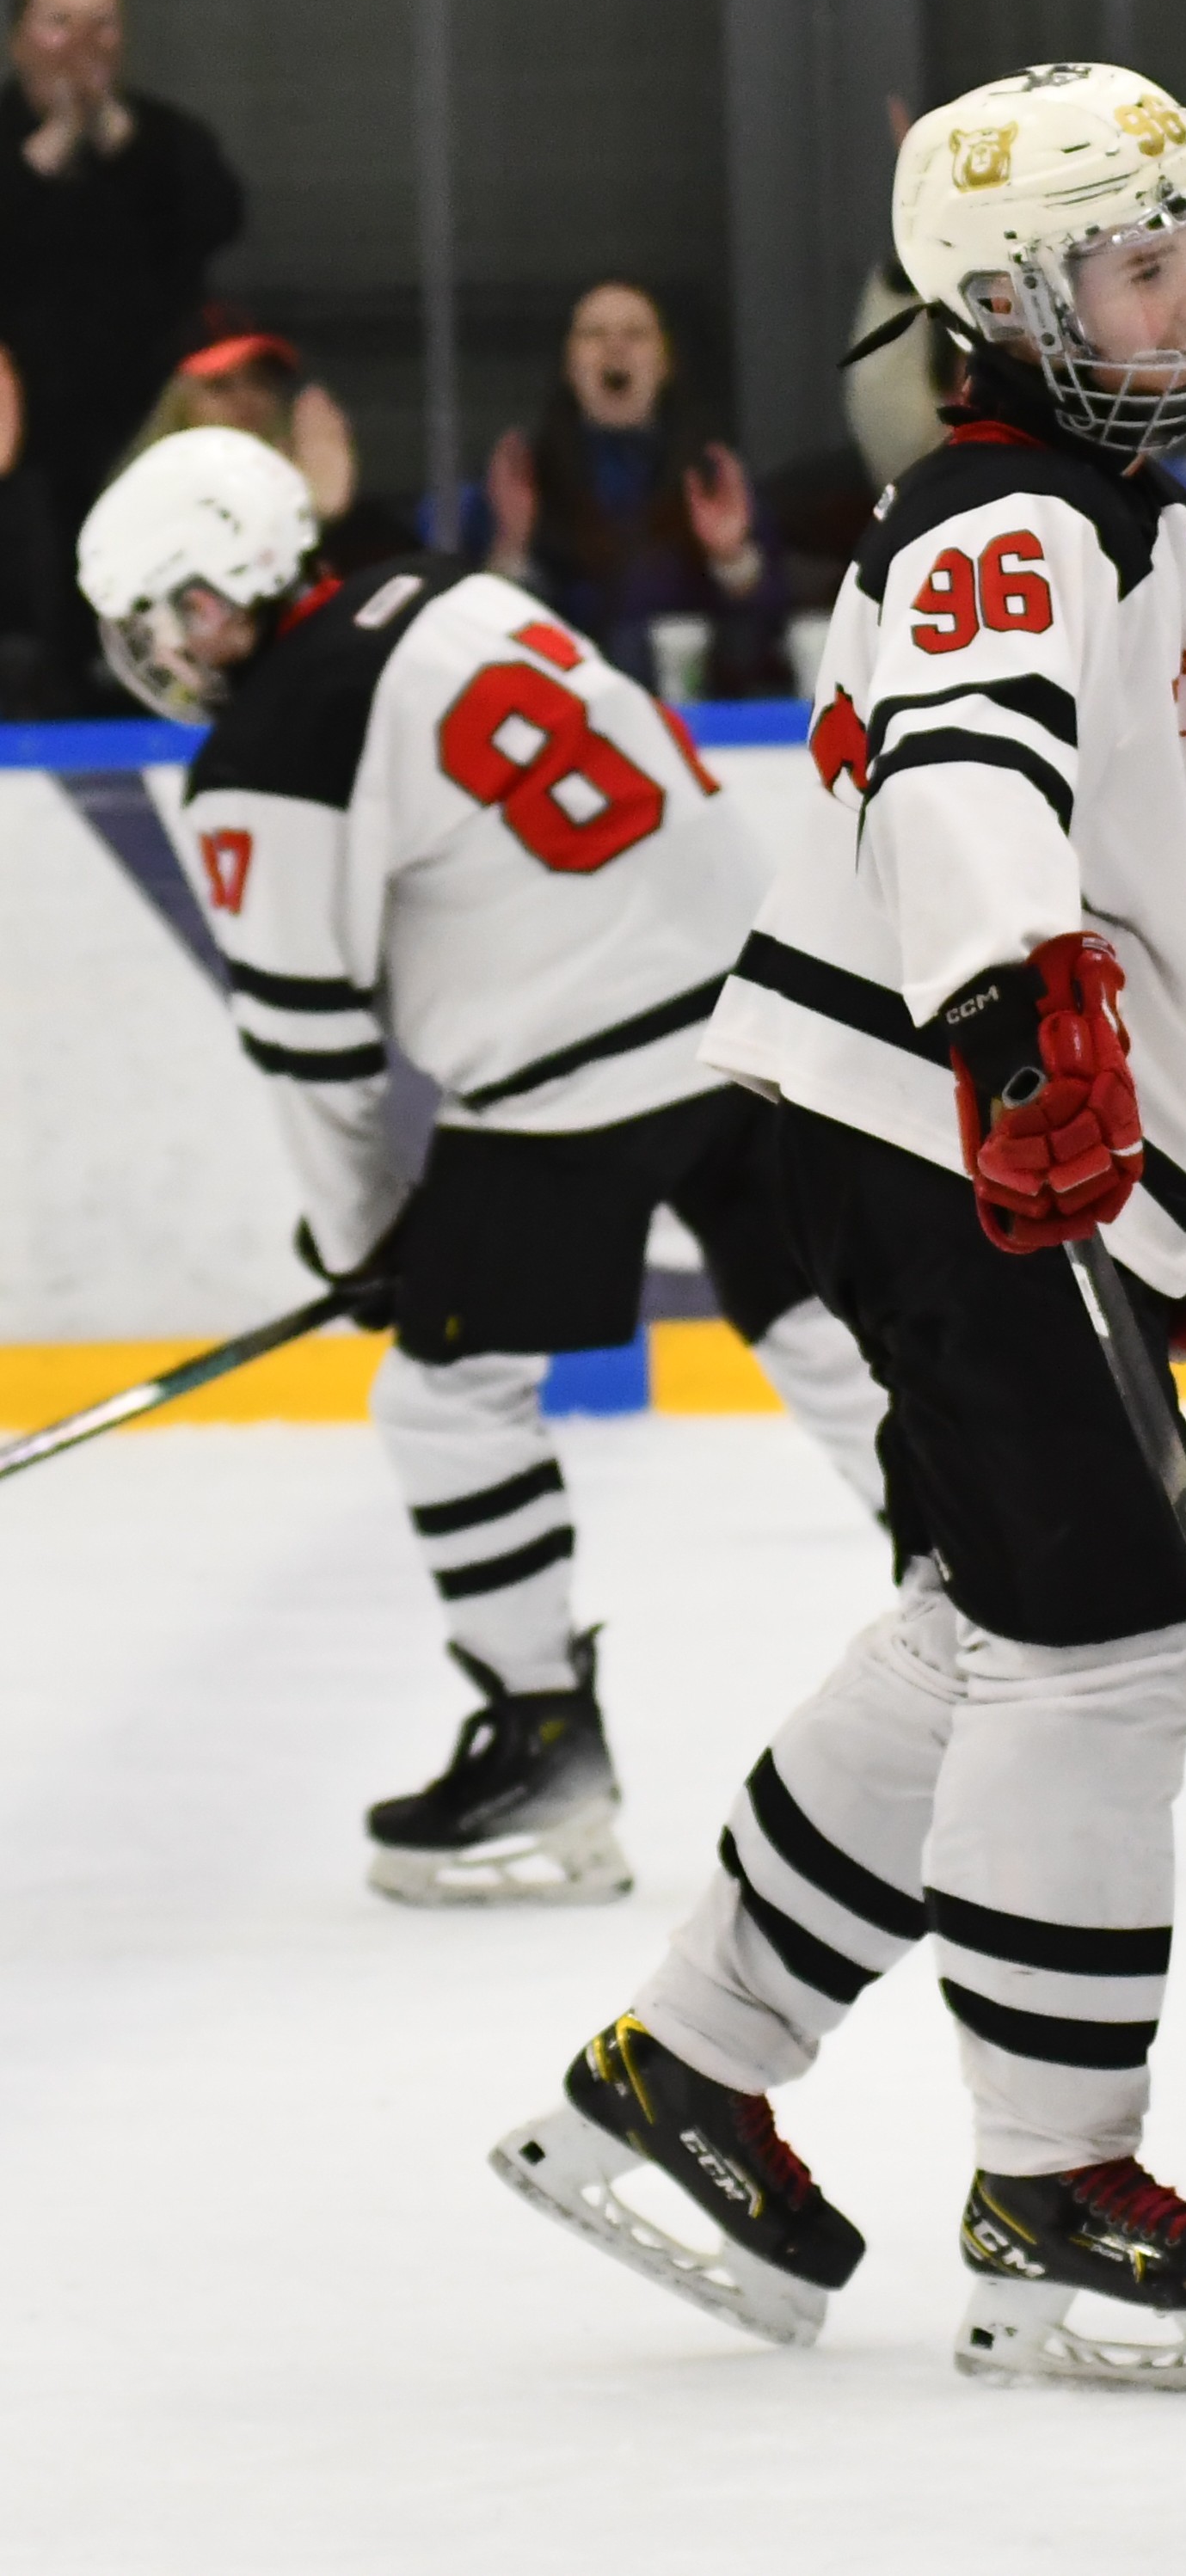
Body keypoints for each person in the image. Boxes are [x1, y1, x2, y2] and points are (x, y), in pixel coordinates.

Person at [489, 63, 1186, 2392]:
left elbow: (1158, 881)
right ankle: (1052, 2191)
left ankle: (682, 2071)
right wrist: (1019, 1015)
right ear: (1008, 308)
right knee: (1100, 1641)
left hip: (949, 1121)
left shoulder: (1137, 524)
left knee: (992, 1615)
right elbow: (969, 775)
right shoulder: (1001, 510)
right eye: (1133, 265)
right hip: (936, 1117)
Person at [73, 427, 890, 1905]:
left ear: (229, 587)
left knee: (444, 1396)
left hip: (578, 1069)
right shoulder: (444, 589)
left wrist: (361, 1244)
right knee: (818, 1326)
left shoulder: (268, 751)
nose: (167, 655)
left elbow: (311, 1047)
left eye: (170, 616)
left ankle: (541, 1740)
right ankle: (1010, 1611)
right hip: (758, 1010)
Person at [0, 0, 245, 704]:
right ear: (18, 41)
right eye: (59, 22)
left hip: (145, 414)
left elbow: (217, 220)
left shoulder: (166, 139)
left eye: (101, 24)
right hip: (20, 427)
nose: (82, 43)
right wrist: (48, 150)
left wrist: (112, 138)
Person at [470, 280, 792, 699]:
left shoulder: (712, 478)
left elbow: (777, 634)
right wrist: (511, 548)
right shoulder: (523, 479)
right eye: (594, 334)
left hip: (690, 717)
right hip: (561, 712)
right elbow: (471, 635)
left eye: (635, 334)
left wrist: (731, 559)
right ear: (568, 366)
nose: (614, 347)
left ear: (666, 363)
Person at [115, 325, 410, 573]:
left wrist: (323, 510)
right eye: (220, 386)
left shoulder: (358, 523)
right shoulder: (148, 509)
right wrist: (311, 512)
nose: (246, 399)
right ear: (176, 407)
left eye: (261, 383)